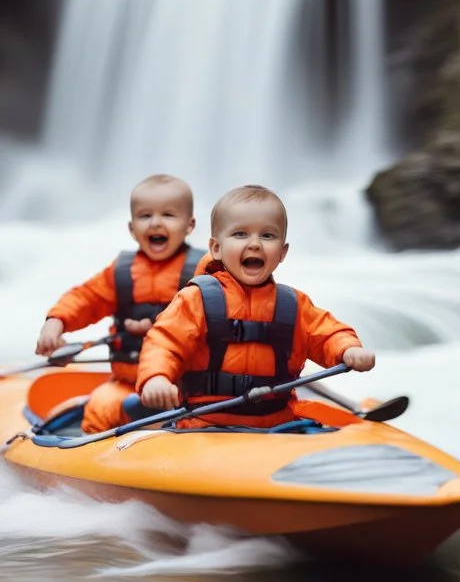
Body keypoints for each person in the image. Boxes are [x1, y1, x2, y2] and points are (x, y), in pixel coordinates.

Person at [137, 184, 375, 429]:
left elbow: (327, 333)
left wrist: (348, 349)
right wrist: (156, 377)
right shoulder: (195, 300)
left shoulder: (294, 305)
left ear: (282, 252)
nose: (255, 244)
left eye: (267, 236)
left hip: (277, 423)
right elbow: (163, 342)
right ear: (216, 248)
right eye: (240, 234)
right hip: (204, 423)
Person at [35, 174, 207, 434]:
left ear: (189, 225)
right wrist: (56, 322)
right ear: (131, 228)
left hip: (182, 387)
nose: (156, 223)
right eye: (145, 216)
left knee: (191, 415)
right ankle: (95, 466)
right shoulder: (122, 273)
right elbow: (85, 298)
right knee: (100, 408)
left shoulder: (203, 271)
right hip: (126, 382)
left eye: (168, 215)